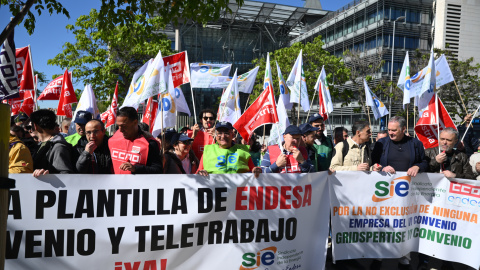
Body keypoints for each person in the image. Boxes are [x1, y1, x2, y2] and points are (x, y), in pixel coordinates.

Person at [109, 106, 163, 174]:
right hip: (115, 184)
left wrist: (135, 168)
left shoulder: (149, 143)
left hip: (139, 184)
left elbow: (158, 170)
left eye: (124, 126)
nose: (120, 130)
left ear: (135, 122)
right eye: (118, 126)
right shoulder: (112, 140)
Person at [196, 121, 261, 176]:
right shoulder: (208, 150)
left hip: (238, 189)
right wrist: (200, 173)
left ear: (232, 135)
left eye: (226, 133)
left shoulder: (242, 150)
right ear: (216, 136)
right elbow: (198, 172)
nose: (223, 136)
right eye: (219, 133)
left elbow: (253, 169)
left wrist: (256, 170)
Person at [30, 109, 76, 176]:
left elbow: (66, 176)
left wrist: (48, 175)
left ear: (35, 126)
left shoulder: (59, 147)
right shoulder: (42, 144)